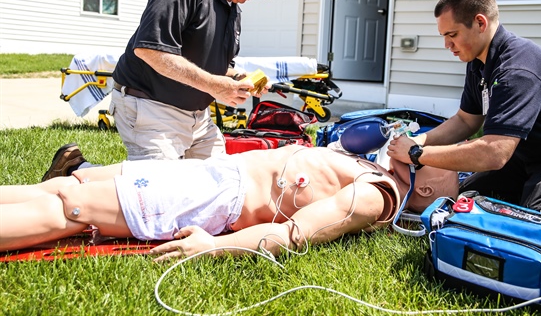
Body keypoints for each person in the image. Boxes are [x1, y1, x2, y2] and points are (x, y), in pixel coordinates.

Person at [41, 0, 289, 182]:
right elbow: (150, 50)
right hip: (150, 105)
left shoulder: (232, 8)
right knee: (158, 190)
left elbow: (211, 67)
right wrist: (214, 86)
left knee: (220, 184)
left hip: (197, 117)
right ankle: (75, 170)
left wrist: (237, 78)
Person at [0, 145, 459, 260]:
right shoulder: (374, 165)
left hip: (214, 197)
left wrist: (215, 245)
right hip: (209, 172)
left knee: (70, 210)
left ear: (424, 189)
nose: (425, 144)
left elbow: (294, 234)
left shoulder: (376, 198)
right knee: (63, 186)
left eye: (438, 157)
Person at [387, 0, 541, 225]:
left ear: (480, 22)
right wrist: (419, 140)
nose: (447, 45)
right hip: (527, 157)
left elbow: (494, 153)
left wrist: (416, 153)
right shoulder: (479, 63)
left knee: (533, 227)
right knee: (465, 201)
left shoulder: (518, 69)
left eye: (452, 35)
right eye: (443, 36)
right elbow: (466, 120)